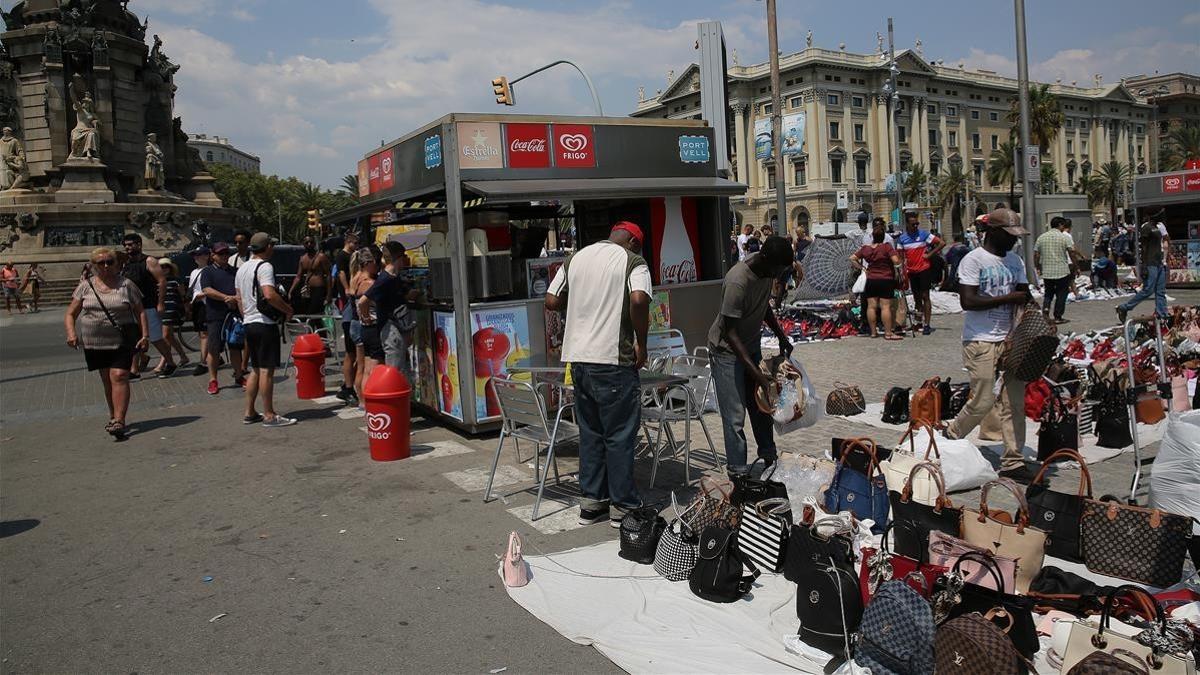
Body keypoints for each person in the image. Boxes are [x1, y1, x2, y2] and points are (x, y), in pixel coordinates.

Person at [545, 222, 652, 527]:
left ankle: (592, 504)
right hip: (613, 360)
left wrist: (581, 302)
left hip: (578, 360)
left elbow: (551, 300)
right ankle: (623, 507)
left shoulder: (576, 258)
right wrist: (641, 343)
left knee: (591, 434)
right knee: (619, 435)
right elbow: (639, 299)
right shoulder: (634, 262)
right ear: (633, 241)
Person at [943, 208, 1033, 483]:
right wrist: (1008, 297)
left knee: (1014, 403)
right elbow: (967, 301)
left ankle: (1014, 461)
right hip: (980, 339)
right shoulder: (973, 260)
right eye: (1009, 235)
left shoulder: (1016, 261)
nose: (1013, 241)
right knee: (982, 401)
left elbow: (1023, 295)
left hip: (1011, 339)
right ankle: (951, 435)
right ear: (992, 232)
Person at [707, 235, 795, 473]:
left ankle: (769, 459)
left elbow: (763, 306)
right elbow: (730, 333)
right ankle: (738, 472)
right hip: (726, 351)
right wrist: (757, 375)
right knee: (735, 415)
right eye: (778, 269)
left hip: (751, 345)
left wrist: (781, 335)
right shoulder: (738, 281)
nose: (778, 275)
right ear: (766, 260)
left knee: (761, 406)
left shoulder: (766, 271)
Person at [64, 247, 150, 440]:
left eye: (109, 262)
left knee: (119, 376)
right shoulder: (85, 286)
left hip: (122, 339)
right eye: (100, 263)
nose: (105, 266)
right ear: (93, 265)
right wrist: (71, 333)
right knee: (107, 380)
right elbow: (71, 313)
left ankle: (119, 420)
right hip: (94, 342)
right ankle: (113, 415)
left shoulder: (126, 285)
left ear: (117, 264)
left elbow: (140, 312)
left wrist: (145, 335)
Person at [235, 232, 295, 427]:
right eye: (272, 245)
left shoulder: (242, 268)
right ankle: (269, 414)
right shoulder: (265, 266)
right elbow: (269, 295)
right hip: (264, 323)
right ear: (267, 247)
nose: (273, 248)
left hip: (249, 322)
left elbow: (239, 298)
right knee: (267, 370)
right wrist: (287, 310)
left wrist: (246, 316)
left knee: (255, 369)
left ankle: (250, 411)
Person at [121, 233, 175, 378]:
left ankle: (170, 363)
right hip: (132, 307)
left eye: (131, 244)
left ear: (139, 244)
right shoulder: (126, 263)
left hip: (148, 305)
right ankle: (134, 370)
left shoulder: (149, 261)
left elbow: (162, 281)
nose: (128, 248)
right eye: (125, 245)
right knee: (134, 338)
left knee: (156, 338)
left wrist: (160, 303)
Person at [364, 241, 416, 382]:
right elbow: (363, 300)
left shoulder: (394, 277)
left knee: (401, 367)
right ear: (398, 257)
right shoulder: (384, 279)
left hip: (398, 328)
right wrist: (366, 317)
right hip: (390, 329)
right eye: (404, 255)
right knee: (394, 370)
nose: (406, 259)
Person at [200, 242, 245, 395]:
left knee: (235, 346)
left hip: (234, 315)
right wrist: (226, 298)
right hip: (215, 315)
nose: (224, 256)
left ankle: (239, 376)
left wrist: (236, 300)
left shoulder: (236, 271)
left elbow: (242, 289)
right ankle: (213, 380)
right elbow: (207, 290)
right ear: (213, 256)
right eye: (221, 254)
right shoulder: (207, 272)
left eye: (226, 253)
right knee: (213, 349)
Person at [850, 225, 903, 339]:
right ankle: (888, 333)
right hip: (885, 279)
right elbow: (896, 261)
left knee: (871, 306)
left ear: (872, 237)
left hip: (871, 279)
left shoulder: (866, 248)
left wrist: (862, 268)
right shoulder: (886, 247)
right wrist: (899, 269)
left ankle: (873, 332)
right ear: (883, 236)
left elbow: (852, 258)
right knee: (885, 307)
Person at [896, 211, 945, 335]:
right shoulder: (902, 239)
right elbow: (900, 257)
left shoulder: (923, 234)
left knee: (925, 296)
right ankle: (918, 322)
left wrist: (929, 254)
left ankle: (927, 324)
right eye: (913, 224)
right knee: (916, 297)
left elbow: (941, 243)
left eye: (917, 223)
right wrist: (901, 272)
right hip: (911, 271)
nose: (916, 226)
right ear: (907, 224)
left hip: (924, 269)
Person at [1116, 215, 1170, 323]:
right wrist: (1144, 265)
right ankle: (1125, 307)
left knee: (1160, 291)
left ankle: (1162, 314)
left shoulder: (1159, 227)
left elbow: (1165, 241)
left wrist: (1165, 259)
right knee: (1148, 290)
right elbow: (1143, 247)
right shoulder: (1147, 227)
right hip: (1150, 263)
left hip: (1159, 262)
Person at [351, 246, 384, 403]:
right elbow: (365, 303)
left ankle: (364, 402)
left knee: (365, 368)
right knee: (373, 368)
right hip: (372, 326)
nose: (379, 265)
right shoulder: (368, 282)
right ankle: (371, 402)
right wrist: (365, 314)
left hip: (364, 327)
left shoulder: (356, 278)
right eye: (377, 261)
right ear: (369, 262)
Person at [1034, 217, 1078, 323]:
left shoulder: (1041, 237)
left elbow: (1036, 254)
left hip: (1047, 271)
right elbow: (1072, 253)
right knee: (1061, 294)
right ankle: (1058, 317)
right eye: (1063, 225)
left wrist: (1038, 266)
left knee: (1048, 293)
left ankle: (1045, 312)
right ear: (1060, 225)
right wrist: (1076, 266)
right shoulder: (1064, 238)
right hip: (1062, 271)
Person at [334, 232, 360, 404]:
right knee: (351, 353)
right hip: (348, 310)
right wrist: (347, 288)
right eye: (355, 243)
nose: (356, 246)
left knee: (355, 354)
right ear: (348, 242)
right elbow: (341, 273)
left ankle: (347, 384)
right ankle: (349, 388)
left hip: (350, 309)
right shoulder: (342, 256)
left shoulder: (351, 256)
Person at [155, 258, 191, 375]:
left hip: (172, 309)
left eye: (166, 266)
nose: (164, 268)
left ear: (170, 268)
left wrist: (186, 309)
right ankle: (183, 356)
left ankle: (163, 362)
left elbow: (183, 295)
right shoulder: (157, 281)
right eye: (161, 266)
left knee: (165, 335)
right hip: (161, 309)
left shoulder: (176, 280)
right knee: (169, 336)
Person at [288, 235, 332, 318]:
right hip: (307, 290)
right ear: (303, 244)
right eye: (306, 243)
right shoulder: (302, 259)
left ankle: (318, 330)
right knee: (309, 314)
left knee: (315, 314)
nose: (309, 244)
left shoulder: (321, 257)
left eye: (311, 242)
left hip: (319, 289)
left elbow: (328, 275)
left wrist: (329, 294)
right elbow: (298, 276)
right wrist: (291, 290)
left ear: (314, 244)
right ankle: (313, 330)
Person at [186, 246, 211, 376]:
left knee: (204, 334)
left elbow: (210, 289)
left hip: (206, 305)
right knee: (202, 333)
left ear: (206, 256)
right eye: (194, 255)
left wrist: (200, 295)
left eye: (198, 255)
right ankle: (213, 356)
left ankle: (203, 362)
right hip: (198, 305)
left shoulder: (210, 270)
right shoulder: (194, 272)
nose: (195, 257)